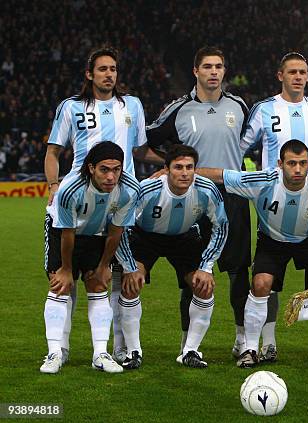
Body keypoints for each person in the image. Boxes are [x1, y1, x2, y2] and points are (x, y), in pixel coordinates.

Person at [237, 52, 308, 360]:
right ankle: (268, 343)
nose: (298, 77)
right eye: (292, 72)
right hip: (274, 207)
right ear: (281, 75)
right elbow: (239, 147)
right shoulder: (264, 109)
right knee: (266, 284)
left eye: (303, 72)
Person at [43, 46, 150, 367]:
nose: (109, 74)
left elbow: (141, 152)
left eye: (113, 69)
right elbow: (53, 152)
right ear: (90, 74)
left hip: (120, 203)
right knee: (65, 278)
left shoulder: (132, 105)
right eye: (102, 69)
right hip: (77, 203)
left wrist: (172, 163)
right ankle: (58, 349)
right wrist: (52, 186)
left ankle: (115, 349)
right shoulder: (72, 107)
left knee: (112, 278)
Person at [199, 140, 308, 368]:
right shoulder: (262, 181)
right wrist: (179, 171)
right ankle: (250, 348)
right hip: (272, 242)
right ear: (280, 164)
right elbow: (220, 175)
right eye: (291, 163)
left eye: (302, 163)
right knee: (260, 284)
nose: (297, 169)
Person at [145, 46, 252, 360]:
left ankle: (243, 339)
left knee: (238, 271)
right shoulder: (178, 109)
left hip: (233, 197)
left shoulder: (239, 106)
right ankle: (187, 342)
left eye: (219, 66)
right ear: (195, 71)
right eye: (207, 66)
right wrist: (169, 166)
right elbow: (147, 140)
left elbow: (247, 141)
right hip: (193, 199)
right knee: (191, 273)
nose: (214, 72)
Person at [115, 145, 228, 369]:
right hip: (145, 236)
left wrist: (206, 267)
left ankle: (190, 351)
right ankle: (133, 352)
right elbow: (120, 227)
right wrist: (129, 266)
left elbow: (221, 227)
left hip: (183, 237)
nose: (185, 173)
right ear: (166, 169)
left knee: (204, 286)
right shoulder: (147, 190)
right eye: (178, 167)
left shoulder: (207, 190)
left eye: (189, 167)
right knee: (131, 285)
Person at [40, 142, 139, 374]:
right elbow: (67, 233)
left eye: (116, 170)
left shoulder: (129, 189)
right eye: (105, 169)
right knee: (59, 286)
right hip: (62, 231)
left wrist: (105, 265)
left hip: (99, 232)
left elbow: (117, 231)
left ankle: (100, 354)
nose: (111, 176)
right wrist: (66, 269)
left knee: (97, 285)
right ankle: (55, 352)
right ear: (91, 168)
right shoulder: (71, 189)